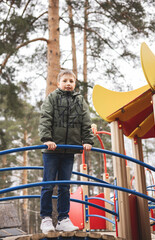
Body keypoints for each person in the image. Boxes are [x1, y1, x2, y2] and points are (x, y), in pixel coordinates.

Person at [39, 69, 94, 234]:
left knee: (65, 186)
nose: (68, 84)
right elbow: (46, 118)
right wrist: (47, 139)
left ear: (75, 83)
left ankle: (63, 218)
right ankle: (46, 218)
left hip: (69, 150)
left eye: (71, 81)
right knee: (48, 184)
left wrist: (88, 140)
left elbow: (86, 121)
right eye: (65, 81)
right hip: (52, 149)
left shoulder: (79, 101)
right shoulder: (52, 98)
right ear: (59, 83)